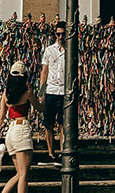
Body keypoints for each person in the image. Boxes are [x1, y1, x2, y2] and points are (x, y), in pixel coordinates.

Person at [0, 60, 43, 193]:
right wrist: (43, 97)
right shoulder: (27, 93)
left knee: (19, 173)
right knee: (24, 174)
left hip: (10, 132)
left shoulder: (6, 94)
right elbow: (40, 108)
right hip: (21, 130)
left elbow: (1, 118)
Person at [39, 22, 66, 163]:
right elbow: (44, 71)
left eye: (63, 34)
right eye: (58, 34)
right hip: (51, 90)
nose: (60, 37)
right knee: (48, 123)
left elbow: (77, 72)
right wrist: (41, 93)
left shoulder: (70, 50)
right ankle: (51, 153)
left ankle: (62, 153)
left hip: (64, 91)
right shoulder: (49, 50)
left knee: (62, 123)